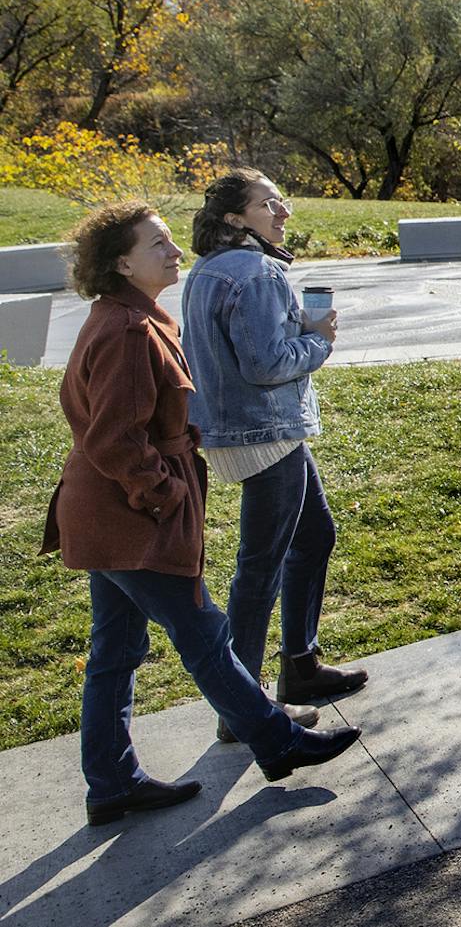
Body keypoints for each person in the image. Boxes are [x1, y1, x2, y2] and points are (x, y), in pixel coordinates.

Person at [43, 201, 361, 825]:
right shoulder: (128, 332)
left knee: (116, 650)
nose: (174, 251)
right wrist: (163, 496)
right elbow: (115, 440)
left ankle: (111, 782)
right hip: (127, 517)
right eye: (157, 243)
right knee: (204, 635)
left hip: (101, 513)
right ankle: (277, 741)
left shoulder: (128, 315)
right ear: (121, 263)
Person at [182, 171, 367, 742]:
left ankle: (300, 668)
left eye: (282, 199)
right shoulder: (258, 272)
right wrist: (318, 340)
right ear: (237, 219)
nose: (283, 210)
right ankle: (244, 707)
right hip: (265, 432)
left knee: (314, 537)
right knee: (260, 566)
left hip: (242, 429)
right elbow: (266, 364)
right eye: (269, 203)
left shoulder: (208, 270)